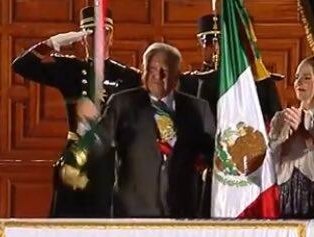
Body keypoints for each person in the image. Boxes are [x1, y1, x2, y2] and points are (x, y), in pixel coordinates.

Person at [12, 6, 141, 217]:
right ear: (82, 39)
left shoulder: (128, 77)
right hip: (77, 152)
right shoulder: (70, 70)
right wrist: (51, 44)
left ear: (111, 36)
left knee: (107, 220)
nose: (95, 39)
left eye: (102, 33)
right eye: (89, 34)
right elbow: (22, 66)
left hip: (110, 157)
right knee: (68, 218)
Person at [78, 42, 216, 218]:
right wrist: (87, 125)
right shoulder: (122, 104)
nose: (158, 76)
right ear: (143, 71)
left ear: (177, 75)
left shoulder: (198, 108)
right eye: (152, 69)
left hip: (183, 214)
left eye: (164, 70)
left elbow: (213, 154)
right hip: (134, 214)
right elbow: (97, 144)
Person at [179, 13, 284, 122]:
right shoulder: (189, 82)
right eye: (209, 43)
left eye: (222, 43)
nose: (217, 49)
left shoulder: (261, 82)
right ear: (199, 45)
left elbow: (275, 123)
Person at [269, 57, 314, 218]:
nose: (299, 82)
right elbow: (271, 162)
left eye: (307, 78)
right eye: (297, 77)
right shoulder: (282, 118)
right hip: (285, 193)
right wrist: (284, 139)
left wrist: (302, 131)